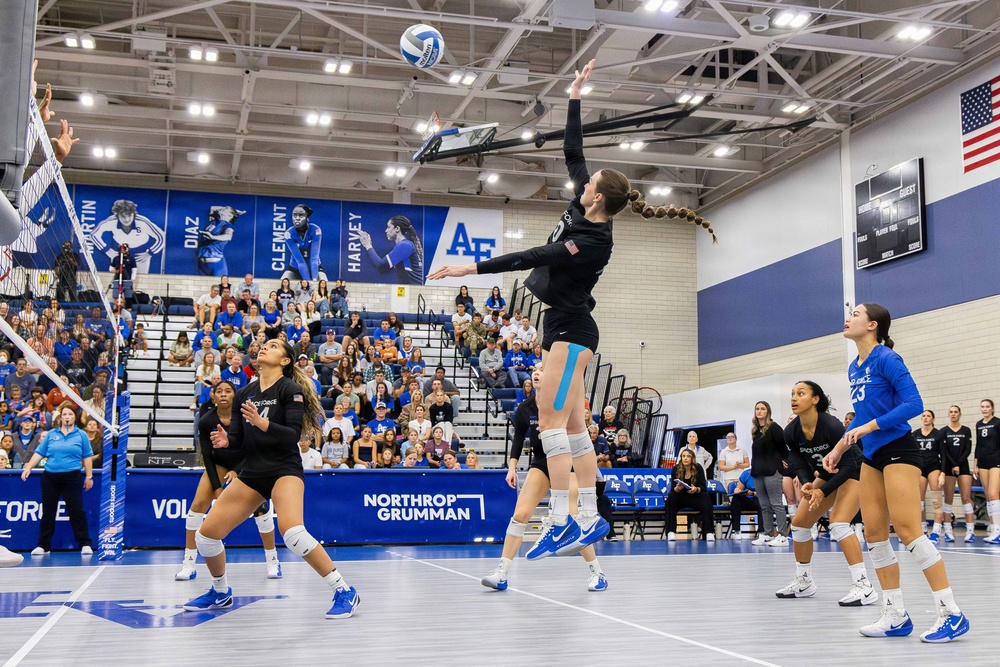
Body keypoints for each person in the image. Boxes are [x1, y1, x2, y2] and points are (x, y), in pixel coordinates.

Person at [183, 339, 359, 619]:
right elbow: (240, 443)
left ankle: (344, 591)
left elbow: (291, 435)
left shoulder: (291, 390)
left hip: (283, 469)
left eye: (274, 346)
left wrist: (261, 422)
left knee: (292, 533)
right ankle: (220, 592)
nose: (265, 347)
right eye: (264, 344)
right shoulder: (245, 393)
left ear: (285, 360)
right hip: (252, 471)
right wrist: (227, 441)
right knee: (206, 536)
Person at [823, 303, 968, 642]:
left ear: (873, 325)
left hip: (899, 450)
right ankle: (895, 615)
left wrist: (871, 426)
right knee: (873, 534)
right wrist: (839, 448)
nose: (848, 317)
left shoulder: (887, 359)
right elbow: (860, 415)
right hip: (871, 455)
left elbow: (914, 405)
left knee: (908, 531)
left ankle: (951, 613)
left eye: (856, 314)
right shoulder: (854, 367)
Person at [482, 367, 607, 592]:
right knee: (520, 514)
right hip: (541, 463)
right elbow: (518, 441)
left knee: (571, 517)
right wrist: (511, 468)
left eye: (543, 369)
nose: (537, 372)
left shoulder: (564, 403)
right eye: (535, 370)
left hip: (567, 464)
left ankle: (597, 573)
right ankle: (501, 572)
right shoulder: (524, 408)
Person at [775, 381, 874, 607]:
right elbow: (798, 462)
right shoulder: (791, 431)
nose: (794, 398)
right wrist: (809, 483)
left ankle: (864, 586)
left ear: (815, 399)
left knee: (838, 523)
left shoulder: (831, 425)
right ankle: (804, 581)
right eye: (792, 394)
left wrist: (823, 491)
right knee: (800, 524)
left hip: (855, 471)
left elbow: (848, 465)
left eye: (801, 393)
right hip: (829, 474)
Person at [176, 381, 281, 581]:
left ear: (235, 395)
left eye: (228, 391)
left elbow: (253, 448)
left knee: (260, 508)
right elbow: (207, 456)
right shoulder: (207, 420)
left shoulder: (245, 416)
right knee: (197, 505)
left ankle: (273, 561)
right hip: (219, 464)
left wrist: (237, 471)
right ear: (213, 396)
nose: (223, 394)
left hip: (247, 463)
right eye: (219, 391)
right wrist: (217, 488)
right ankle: (188, 564)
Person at [20, 404, 95, 555]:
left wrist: (89, 476)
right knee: (48, 511)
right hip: (50, 477)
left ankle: (85, 543)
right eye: (64, 414)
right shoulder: (51, 434)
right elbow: (39, 453)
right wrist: (28, 468)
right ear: (60, 418)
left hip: (72, 477)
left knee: (76, 511)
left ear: (75, 417)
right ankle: (43, 546)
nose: (67, 417)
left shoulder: (81, 435)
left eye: (70, 414)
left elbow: (87, 457)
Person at [750, 400, 791, 547]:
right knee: (764, 505)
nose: (759, 411)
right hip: (758, 471)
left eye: (762, 408)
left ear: (768, 411)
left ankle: (783, 535)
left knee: (776, 503)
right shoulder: (755, 430)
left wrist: (785, 461)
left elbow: (784, 447)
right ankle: (767, 533)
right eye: (757, 409)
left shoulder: (774, 428)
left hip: (772, 470)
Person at [90, 199, 165, 274]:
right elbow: (93, 234)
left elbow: (162, 237)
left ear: (134, 214)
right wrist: (107, 250)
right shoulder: (112, 221)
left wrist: (150, 253)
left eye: (129, 215)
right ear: (117, 214)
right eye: (123, 216)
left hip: (140, 254)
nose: (127, 219)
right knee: (118, 278)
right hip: (119, 253)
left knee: (141, 279)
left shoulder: (142, 222)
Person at [939, 405, 974, 543]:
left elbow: (968, 449)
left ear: (960, 414)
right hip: (948, 466)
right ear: (949, 414)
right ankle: (948, 531)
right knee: (948, 498)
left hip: (963, 465)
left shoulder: (966, 430)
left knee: (966, 497)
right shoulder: (943, 431)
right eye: (951, 412)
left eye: (955, 412)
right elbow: (944, 451)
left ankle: (970, 531)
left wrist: (959, 464)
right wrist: (953, 465)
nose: (953, 414)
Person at [357, 215, 424, 284]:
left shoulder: (405, 246)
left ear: (397, 228)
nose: (386, 231)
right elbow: (385, 270)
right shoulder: (405, 245)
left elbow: (381, 266)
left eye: (389, 227)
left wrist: (368, 245)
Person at [665, 449, 713, 542]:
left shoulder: (698, 468)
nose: (685, 458)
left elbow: (703, 487)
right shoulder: (676, 468)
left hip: (695, 496)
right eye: (683, 456)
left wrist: (696, 489)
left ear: (692, 458)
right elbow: (673, 488)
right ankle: (671, 532)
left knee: (706, 497)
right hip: (681, 496)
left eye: (688, 456)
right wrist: (677, 489)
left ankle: (709, 532)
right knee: (671, 498)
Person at [915, 410, 946, 542]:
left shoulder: (938, 434)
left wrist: (942, 474)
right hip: (920, 468)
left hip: (934, 467)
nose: (926, 418)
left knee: (936, 500)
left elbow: (944, 455)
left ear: (933, 419)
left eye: (928, 416)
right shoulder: (915, 434)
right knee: (919, 501)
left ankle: (936, 531)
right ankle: (922, 529)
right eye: (924, 416)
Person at [973, 399, 1000, 544]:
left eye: (987, 407)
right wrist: (975, 464)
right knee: (988, 496)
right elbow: (978, 445)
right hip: (982, 462)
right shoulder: (978, 424)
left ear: (992, 409)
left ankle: (998, 529)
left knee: (993, 493)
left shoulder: (997, 423)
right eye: (982, 406)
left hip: (995, 460)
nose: (984, 409)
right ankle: (994, 527)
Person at [283, 205, 326, 282]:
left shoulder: (316, 230)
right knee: (282, 281)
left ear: (307, 217)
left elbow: (314, 258)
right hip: (295, 267)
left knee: (324, 282)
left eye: (301, 215)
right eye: (294, 215)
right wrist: (308, 282)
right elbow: (300, 261)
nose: (297, 218)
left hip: (314, 266)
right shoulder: (288, 234)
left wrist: (314, 280)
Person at [728, 469, 763, 540]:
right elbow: (739, 488)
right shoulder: (746, 473)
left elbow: (765, 494)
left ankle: (761, 531)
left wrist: (753, 493)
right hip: (746, 498)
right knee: (736, 499)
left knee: (763, 503)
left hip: (758, 498)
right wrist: (737, 490)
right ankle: (736, 530)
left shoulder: (765, 475)